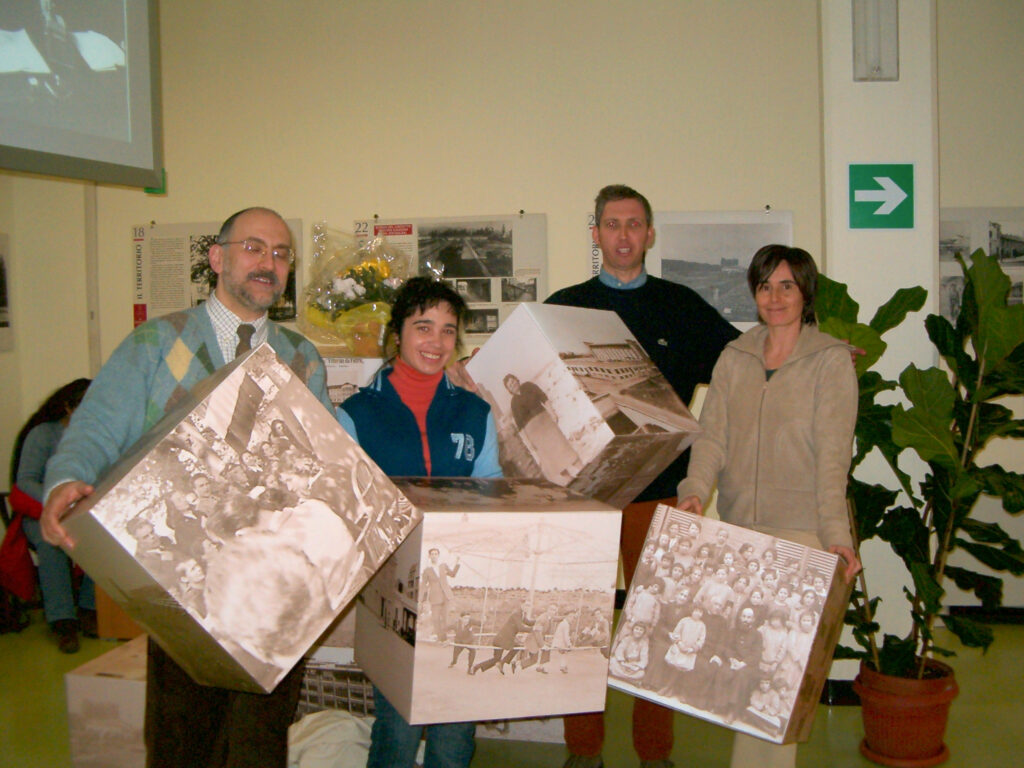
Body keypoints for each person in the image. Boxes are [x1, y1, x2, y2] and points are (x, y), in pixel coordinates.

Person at [40, 207, 331, 768]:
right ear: (217, 258)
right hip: (182, 583)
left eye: (281, 253)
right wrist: (67, 479)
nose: (268, 263)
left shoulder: (302, 357)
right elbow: (97, 426)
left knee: (259, 746)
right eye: (253, 247)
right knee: (183, 742)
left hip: (273, 588)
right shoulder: (155, 343)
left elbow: (324, 456)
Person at [546, 185, 739, 768]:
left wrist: (811, 350)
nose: (624, 235)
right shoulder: (563, 306)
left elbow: (742, 364)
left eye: (634, 224)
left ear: (650, 234)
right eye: (612, 224)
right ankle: (584, 752)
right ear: (596, 234)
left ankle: (655, 754)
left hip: (661, 491)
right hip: (586, 496)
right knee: (583, 626)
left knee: (658, 626)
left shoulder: (682, 307)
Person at [677, 244, 862, 768]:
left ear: (806, 292)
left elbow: (833, 460)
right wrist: (695, 489)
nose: (775, 297)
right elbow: (711, 436)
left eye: (787, 286)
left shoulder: (830, 360)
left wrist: (836, 536)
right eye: (765, 286)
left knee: (779, 682)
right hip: (741, 532)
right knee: (744, 676)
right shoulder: (735, 356)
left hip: (801, 535)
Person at [337, 275, 501, 768]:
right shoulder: (357, 414)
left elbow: (492, 488)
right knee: (398, 727)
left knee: (455, 730)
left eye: (449, 331)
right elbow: (347, 506)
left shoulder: (475, 411)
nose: (436, 342)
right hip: (395, 589)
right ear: (398, 333)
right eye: (423, 327)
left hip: (463, 587)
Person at [6, 378, 93, 653]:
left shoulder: (93, 437)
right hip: (41, 512)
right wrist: (58, 498)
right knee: (51, 542)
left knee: (103, 539)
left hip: (79, 512)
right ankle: (62, 620)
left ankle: (90, 607)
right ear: (69, 407)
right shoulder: (43, 434)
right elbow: (25, 481)